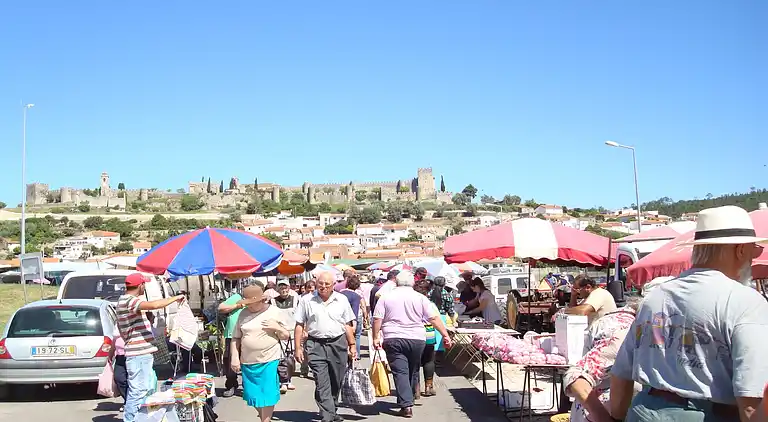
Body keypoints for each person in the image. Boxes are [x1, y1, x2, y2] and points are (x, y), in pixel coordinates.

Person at [610, 206, 768, 422]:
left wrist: (617, 417)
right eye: (754, 251)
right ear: (740, 249)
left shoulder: (655, 297)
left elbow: (621, 374)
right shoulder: (745, 302)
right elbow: (751, 401)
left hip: (643, 411)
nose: (753, 259)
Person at [372, 271, 453, 418]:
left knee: (400, 371)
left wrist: (375, 337)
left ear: (396, 282)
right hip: (417, 339)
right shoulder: (420, 298)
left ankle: (406, 404)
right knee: (412, 369)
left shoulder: (386, 297)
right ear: (412, 283)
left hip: (393, 337)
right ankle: (407, 399)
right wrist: (445, 335)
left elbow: (377, 318)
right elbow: (433, 318)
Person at [563, 295, 645, 422]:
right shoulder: (624, 332)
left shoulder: (625, 319)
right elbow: (576, 376)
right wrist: (603, 418)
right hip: (602, 411)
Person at [116, 273, 185, 422]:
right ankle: (130, 419)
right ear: (140, 285)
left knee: (145, 390)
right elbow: (154, 305)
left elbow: (128, 327)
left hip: (140, 353)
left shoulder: (127, 301)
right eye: (144, 285)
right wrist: (175, 298)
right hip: (138, 354)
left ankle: (141, 418)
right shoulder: (129, 301)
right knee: (138, 391)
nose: (144, 287)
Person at [294, 271, 357, 422]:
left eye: (327, 284)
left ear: (333, 285)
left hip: (338, 343)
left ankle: (331, 408)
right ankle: (327, 415)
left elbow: (348, 324)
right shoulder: (306, 300)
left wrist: (352, 345)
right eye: (320, 283)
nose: (323, 287)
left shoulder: (341, 299)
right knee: (321, 381)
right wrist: (298, 347)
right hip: (315, 344)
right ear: (316, 283)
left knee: (336, 380)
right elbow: (299, 324)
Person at [230, 281, 291, 422]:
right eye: (247, 304)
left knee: (267, 394)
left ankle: (265, 420)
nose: (248, 306)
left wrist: (277, 327)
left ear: (261, 300)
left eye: (251, 303)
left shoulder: (274, 311)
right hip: (248, 361)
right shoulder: (243, 314)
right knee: (253, 395)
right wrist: (234, 357)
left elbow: (286, 336)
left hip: (269, 359)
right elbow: (236, 338)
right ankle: (264, 417)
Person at [414, 278, 444, 398]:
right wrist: (444, 333)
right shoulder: (430, 304)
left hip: (414, 334)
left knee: (414, 362)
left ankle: (415, 389)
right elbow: (436, 319)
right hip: (429, 334)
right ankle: (428, 386)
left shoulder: (411, 303)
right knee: (429, 360)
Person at [218, 280, 246, 397]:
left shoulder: (255, 301)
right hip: (232, 334)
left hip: (248, 335)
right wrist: (237, 305)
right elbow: (221, 308)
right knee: (230, 361)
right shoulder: (237, 297)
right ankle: (231, 385)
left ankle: (248, 386)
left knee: (248, 362)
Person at [271, 279, 299, 393]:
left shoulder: (295, 299)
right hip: (280, 332)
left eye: (285, 287)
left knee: (291, 359)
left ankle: (289, 379)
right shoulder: (273, 301)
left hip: (293, 332)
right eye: (281, 288)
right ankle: (283, 382)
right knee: (282, 359)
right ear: (278, 289)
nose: (284, 290)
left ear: (289, 288)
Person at [340, 275, 363, 358]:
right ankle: (355, 355)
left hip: (340, 320)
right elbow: (354, 312)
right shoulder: (356, 296)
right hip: (350, 321)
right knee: (356, 337)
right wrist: (354, 326)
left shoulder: (340, 293)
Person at [112, 335, 128, 410]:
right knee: (118, 378)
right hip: (120, 356)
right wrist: (110, 354)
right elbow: (114, 340)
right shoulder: (117, 326)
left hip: (133, 355)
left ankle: (130, 403)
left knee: (132, 381)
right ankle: (128, 400)